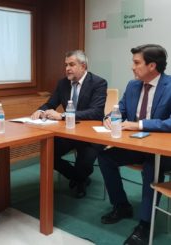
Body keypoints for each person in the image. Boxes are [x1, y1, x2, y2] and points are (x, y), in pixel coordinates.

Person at [99, 44, 171, 245]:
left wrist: (138, 124)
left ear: (152, 66)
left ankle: (145, 224)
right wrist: (109, 117)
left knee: (151, 166)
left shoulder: (170, 86)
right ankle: (121, 205)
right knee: (105, 157)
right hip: (135, 145)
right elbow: (119, 109)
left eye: (137, 62)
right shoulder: (133, 85)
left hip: (162, 151)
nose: (132, 67)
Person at [31, 50, 107, 198]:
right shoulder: (63, 83)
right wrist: (40, 111)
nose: (67, 68)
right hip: (69, 132)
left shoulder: (98, 83)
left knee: (84, 161)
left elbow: (96, 112)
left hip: (90, 134)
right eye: (66, 65)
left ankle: (80, 180)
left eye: (71, 64)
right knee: (48, 154)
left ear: (83, 66)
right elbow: (51, 103)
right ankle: (78, 178)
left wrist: (63, 115)